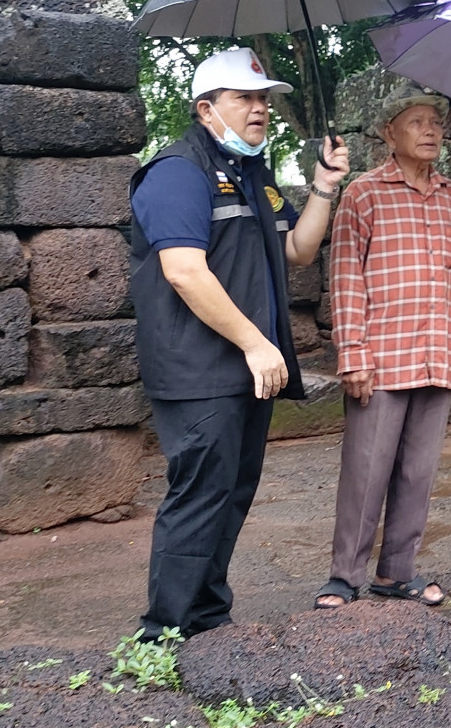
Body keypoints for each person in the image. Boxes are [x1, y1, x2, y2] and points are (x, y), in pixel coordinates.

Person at [128, 46, 351, 638]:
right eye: (244, 99)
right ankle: (163, 634)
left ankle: (207, 619)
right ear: (206, 109)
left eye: (264, 99)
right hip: (200, 369)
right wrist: (256, 342)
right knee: (199, 496)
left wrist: (325, 188)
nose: (260, 110)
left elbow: (297, 251)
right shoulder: (178, 171)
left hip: (248, 370)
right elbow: (183, 270)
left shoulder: (253, 175)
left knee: (231, 493)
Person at [315, 83, 451, 610]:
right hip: (381, 353)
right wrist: (352, 354)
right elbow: (346, 275)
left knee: (418, 471)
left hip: (437, 350)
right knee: (366, 469)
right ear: (388, 134)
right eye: (417, 122)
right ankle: (344, 576)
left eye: (437, 123)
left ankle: (396, 573)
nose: (431, 131)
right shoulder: (364, 193)